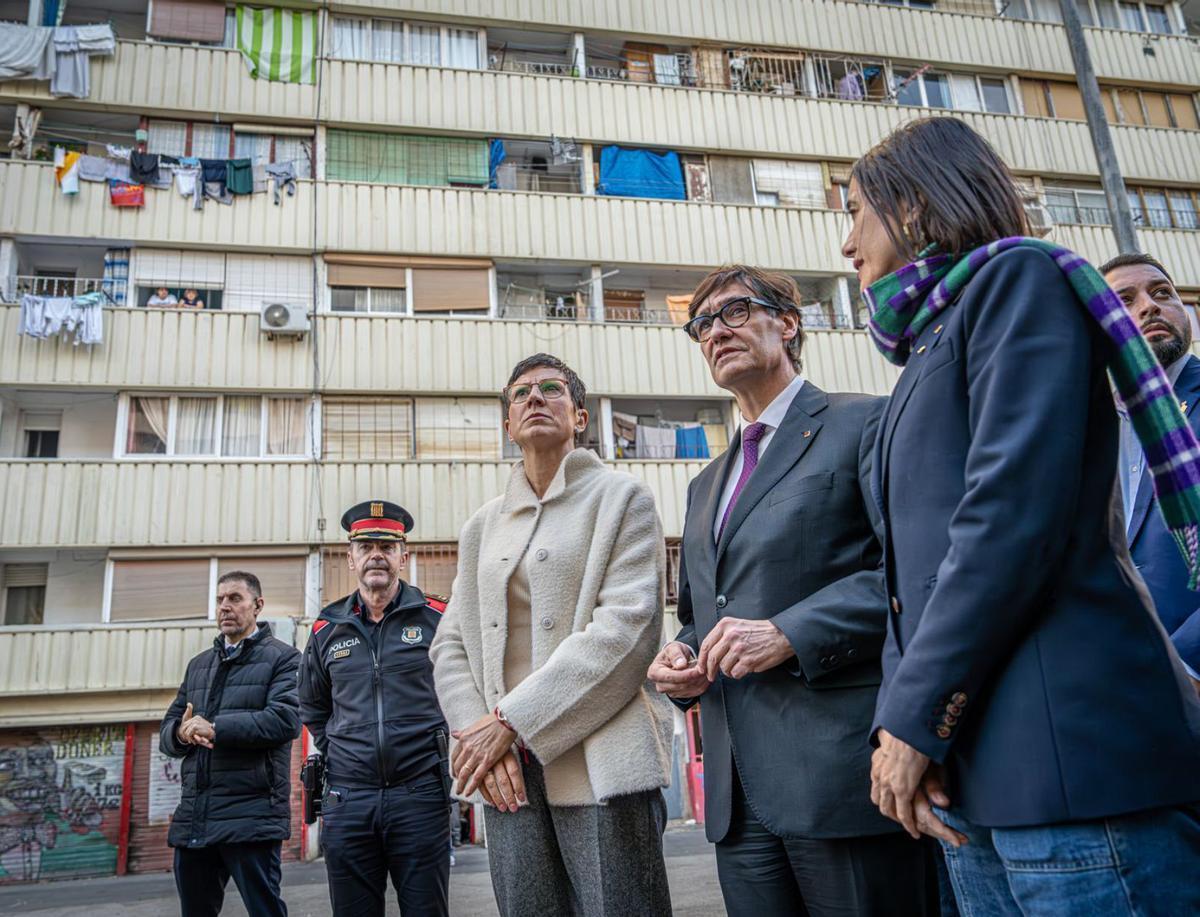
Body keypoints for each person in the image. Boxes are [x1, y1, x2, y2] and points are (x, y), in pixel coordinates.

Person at [846, 116, 1200, 916]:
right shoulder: (926, 345)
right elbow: (907, 576)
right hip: (971, 780)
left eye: (856, 212)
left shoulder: (1019, 280)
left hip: (1071, 769)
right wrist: (903, 729)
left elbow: (1008, 519)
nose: (847, 241)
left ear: (913, 205)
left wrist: (913, 719)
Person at [645, 265, 935, 917]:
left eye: (735, 311)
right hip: (736, 799)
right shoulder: (704, 486)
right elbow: (703, 614)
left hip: (841, 777)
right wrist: (682, 656)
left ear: (788, 323)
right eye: (702, 324)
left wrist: (788, 633)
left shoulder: (865, 421)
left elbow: (914, 572)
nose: (715, 331)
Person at [430, 353, 674, 917]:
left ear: (580, 417)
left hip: (602, 765)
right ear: (507, 425)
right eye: (521, 393)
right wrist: (479, 737)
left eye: (551, 389)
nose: (535, 398)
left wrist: (511, 722)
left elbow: (627, 629)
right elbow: (450, 644)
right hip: (506, 771)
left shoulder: (623, 499)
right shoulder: (481, 526)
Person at [299, 501, 451, 917]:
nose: (376, 555)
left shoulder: (438, 619)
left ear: (404, 555)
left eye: (387, 546)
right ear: (351, 558)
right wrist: (344, 751)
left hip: (420, 795)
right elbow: (312, 705)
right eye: (366, 547)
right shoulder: (326, 629)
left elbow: (461, 690)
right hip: (348, 800)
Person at [159, 571, 301, 917]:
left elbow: (285, 720)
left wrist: (215, 729)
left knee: (265, 910)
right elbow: (169, 730)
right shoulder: (198, 666)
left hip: (251, 816)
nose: (225, 606)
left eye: (235, 598)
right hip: (196, 817)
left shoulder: (285, 659)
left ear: (258, 605)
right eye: (220, 599)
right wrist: (181, 733)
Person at [1102, 252, 1200, 689]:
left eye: (1163, 293)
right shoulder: (1088, 428)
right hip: (1116, 683)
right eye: (1124, 300)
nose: (1149, 306)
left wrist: (1188, 668)